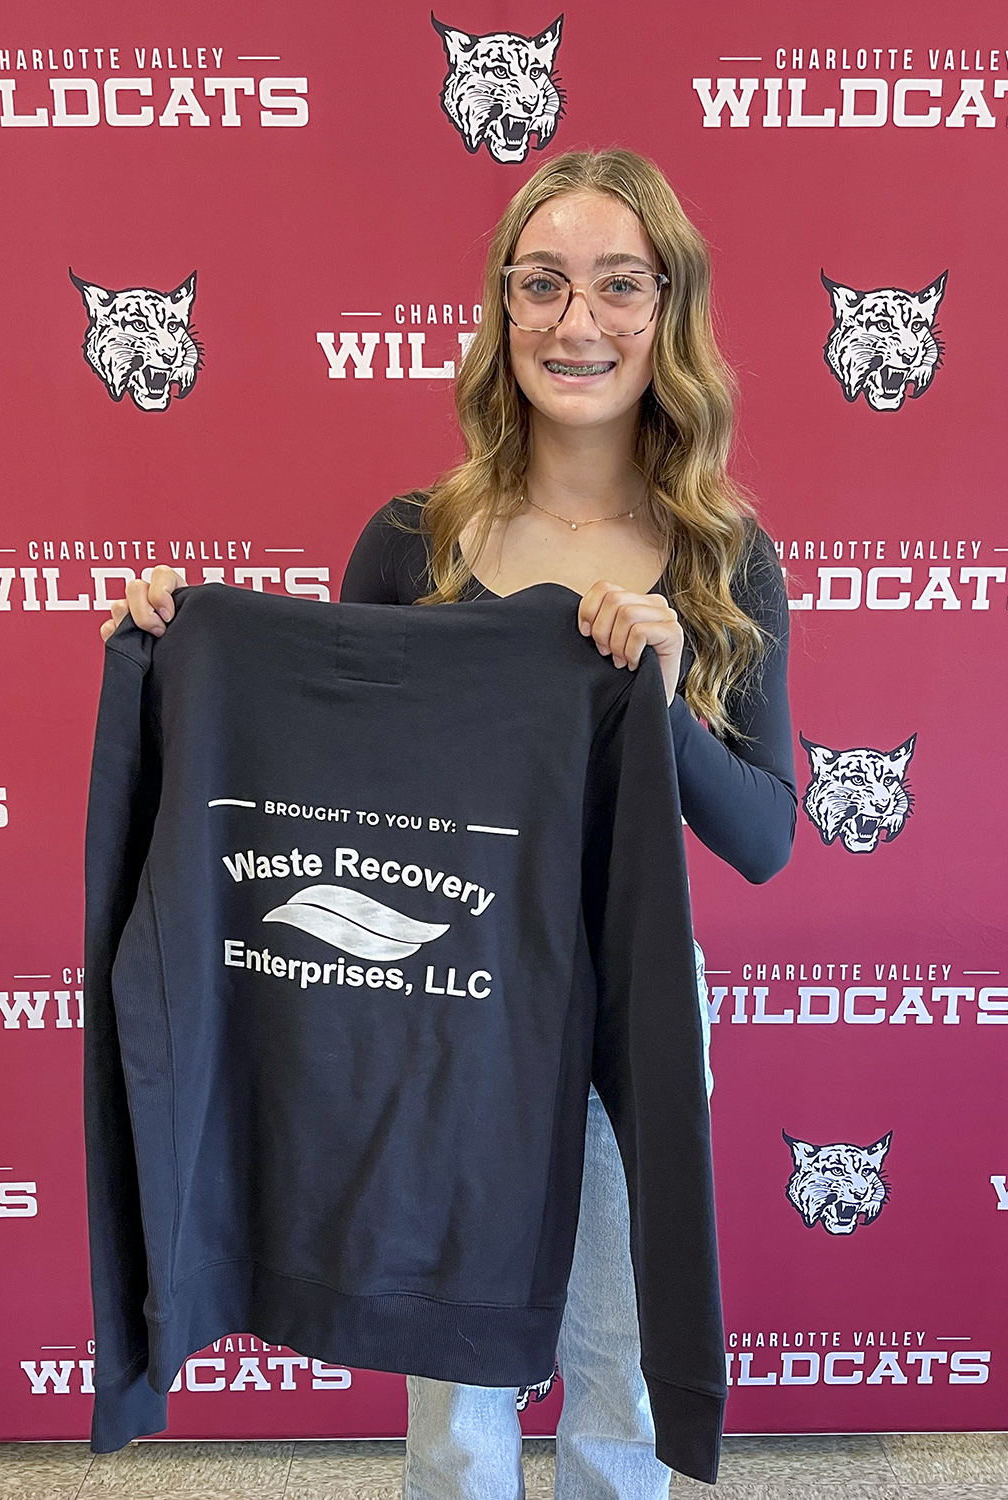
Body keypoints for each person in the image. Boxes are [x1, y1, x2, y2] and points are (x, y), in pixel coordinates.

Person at [102, 147, 794, 1499]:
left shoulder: (724, 553)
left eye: (615, 286)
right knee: (458, 1420)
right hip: (448, 1010)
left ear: (671, 309)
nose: (575, 323)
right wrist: (177, 651)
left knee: (617, 1395)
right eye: (541, 286)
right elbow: (323, 779)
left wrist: (657, 700)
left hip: (636, 1020)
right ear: (500, 311)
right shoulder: (412, 539)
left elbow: (765, 835)